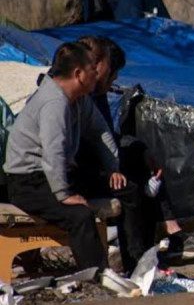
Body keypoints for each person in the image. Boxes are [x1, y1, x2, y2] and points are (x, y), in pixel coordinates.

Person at [77, 36, 194, 269]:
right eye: (110, 71)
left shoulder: (96, 95)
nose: (112, 78)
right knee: (130, 184)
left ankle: (163, 232)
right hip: (82, 170)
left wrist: (141, 150)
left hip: (97, 162)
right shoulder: (75, 97)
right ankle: (147, 249)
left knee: (139, 158)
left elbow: (105, 135)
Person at [2, 42, 120, 273]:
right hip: (29, 182)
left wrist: (114, 168)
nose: (96, 74)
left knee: (125, 189)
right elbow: (53, 151)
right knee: (79, 215)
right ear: (78, 74)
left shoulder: (78, 99)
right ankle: (97, 276)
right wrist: (64, 194)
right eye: (91, 69)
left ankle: (137, 258)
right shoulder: (54, 102)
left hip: (52, 176)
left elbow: (100, 131)